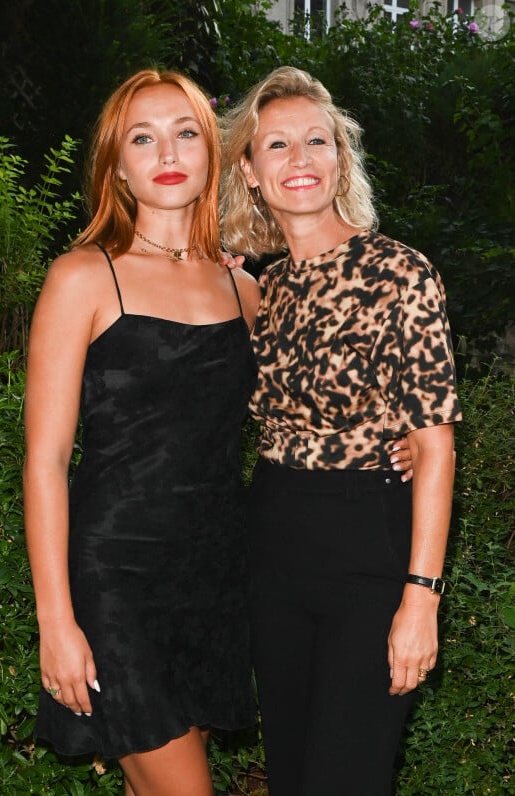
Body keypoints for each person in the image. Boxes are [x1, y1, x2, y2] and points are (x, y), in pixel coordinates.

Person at [220, 66, 462, 795]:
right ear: (251, 172)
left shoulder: (400, 273)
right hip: (274, 542)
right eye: (278, 146)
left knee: (345, 777)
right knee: (293, 775)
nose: (300, 160)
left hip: (370, 549)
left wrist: (421, 597)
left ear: (341, 159)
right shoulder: (264, 289)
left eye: (316, 142)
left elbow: (435, 444)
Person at [23, 69, 262, 796]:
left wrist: (400, 443)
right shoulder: (82, 278)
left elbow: (296, 420)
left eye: (186, 131)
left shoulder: (247, 290)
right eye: (143, 136)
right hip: (112, 581)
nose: (168, 149)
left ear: (212, 154)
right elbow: (44, 461)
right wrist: (55, 621)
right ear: (117, 166)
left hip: (210, 580)